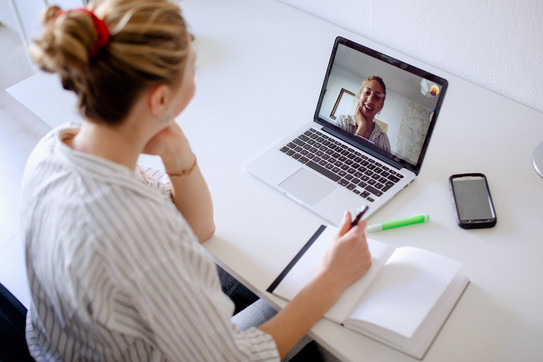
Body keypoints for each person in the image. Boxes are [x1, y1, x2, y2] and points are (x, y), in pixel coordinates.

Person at [21, 0, 372, 360]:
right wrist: (330, 281)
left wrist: (178, 153)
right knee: (312, 307)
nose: (195, 76)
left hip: (69, 344)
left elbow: (197, 229)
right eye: (194, 68)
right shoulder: (139, 228)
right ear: (159, 98)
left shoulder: (56, 147)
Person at [336, 76, 391, 152]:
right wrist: (362, 126)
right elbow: (338, 156)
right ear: (359, 96)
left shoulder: (384, 140)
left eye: (377, 97)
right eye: (367, 93)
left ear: (381, 107)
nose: (370, 99)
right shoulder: (342, 121)